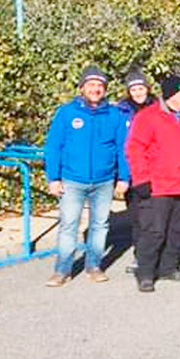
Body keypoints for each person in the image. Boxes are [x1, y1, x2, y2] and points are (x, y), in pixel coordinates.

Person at [44, 65, 130, 286]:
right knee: (68, 225)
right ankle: (62, 270)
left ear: (105, 89)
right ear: (82, 87)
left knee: (100, 226)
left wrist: (124, 177)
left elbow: (123, 148)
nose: (95, 89)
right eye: (91, 85)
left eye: (99, 85)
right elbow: (54, 146)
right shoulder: (66, 112)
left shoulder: (114, 114)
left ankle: (93, 266)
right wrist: (53, 178)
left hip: (104, 180)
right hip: (72, 180)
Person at [126, 75, 180, 293]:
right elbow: (135, 149)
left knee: (179, 230)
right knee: (154, 231)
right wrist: (141, 178)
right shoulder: (149, 117)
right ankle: (145, 272)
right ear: (172, 96)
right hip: (159, 186)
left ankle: (168, 267)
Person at [116, 69, 157, 273]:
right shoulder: (121, 111)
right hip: (132, 171)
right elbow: (120, 143)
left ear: (147, 89)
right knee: (137, 217)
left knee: (156, 216)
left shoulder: (159, 107)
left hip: (155, 170)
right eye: (133, 89)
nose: (138, 92)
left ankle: (157, 255)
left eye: (140, 88)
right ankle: (139, 256)